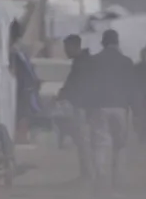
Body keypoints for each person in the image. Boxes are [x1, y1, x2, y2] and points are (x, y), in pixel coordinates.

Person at [85, 29, 139, 189]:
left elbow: (89, 87)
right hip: (121, 108)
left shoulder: (94, 61)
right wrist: (135, 110)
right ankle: (117, 179)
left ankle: (101, 177)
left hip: (99, 106)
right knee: (120, 144)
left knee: (101, 143)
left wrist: (88, 109)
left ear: (103, 42)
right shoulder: (126, 62)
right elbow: (132, 88)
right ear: (117, 42)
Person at [59, 35, 94, 177]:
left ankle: (88, 175)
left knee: (84, 142)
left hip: (83, 107)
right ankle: (86, 174)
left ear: (74, 46)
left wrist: (63, 95)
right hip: (82, 106)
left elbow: (76, 85)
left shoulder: (82, 63)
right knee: (82, 142)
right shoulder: (82, 61)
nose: (65, 51)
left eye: (67, 48)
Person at [9, 21, 43, 144]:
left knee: (25, 112)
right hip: (24, 86)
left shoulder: (18, 52)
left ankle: (23, 136)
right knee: (24, 112)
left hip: (26, 86)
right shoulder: (17, 52)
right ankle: (21, 137)